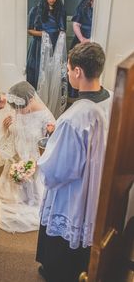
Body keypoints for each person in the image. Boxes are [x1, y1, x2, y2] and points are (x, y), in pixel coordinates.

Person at [36, 42, 113, 282]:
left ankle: (59, 273)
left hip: (75, 193)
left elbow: (58, 171)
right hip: (100, 185)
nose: (68, 73)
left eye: (68, 69)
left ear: (78, 71)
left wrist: (47, 150)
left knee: (67, 231)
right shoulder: (110, 98)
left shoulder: (75, 117)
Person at [0, 81, 55, 233]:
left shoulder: (45, 116)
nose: (18, 112)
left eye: (21, 108)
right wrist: (6, 128)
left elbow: (48, 144)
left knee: (35, 197)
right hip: (19, 159)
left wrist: (50, 132)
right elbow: (10, 137)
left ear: (32, 100)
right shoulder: (15, 111)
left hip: (36, 162)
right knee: (13, 194)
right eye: (16, 108)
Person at [26, 0, 67, 94]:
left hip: (55, 46)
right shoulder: (35, 10)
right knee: (38, 73)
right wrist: (43, 34)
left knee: (52, 74)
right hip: (39, 46)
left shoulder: (60, 11)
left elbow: (63, 30)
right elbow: (29, 30)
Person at [68, 0, 96, 104]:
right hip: (81, 41)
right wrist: (83, 40)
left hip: (95, 44)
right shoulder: (84, 6)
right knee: (78, 70)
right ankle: (76, 99)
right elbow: (76, 24)